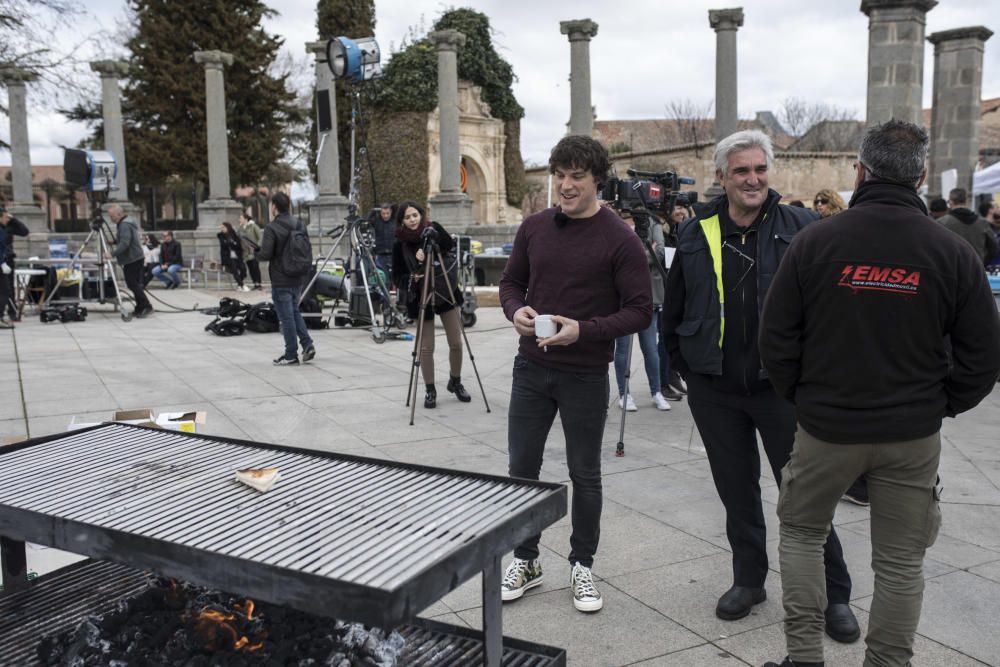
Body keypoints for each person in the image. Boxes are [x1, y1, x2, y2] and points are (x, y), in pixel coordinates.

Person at [760, 119, 1000, 667]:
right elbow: (984, 357)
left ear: (860, 171)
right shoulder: (952, 252)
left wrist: (804, 396)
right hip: (910, 434)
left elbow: (775, 339)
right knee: (899, 561)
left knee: (801, 535)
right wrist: (940, 404)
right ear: (919, 176)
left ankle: (803, 659)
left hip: (827, 428)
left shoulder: (815, 241)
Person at [662, 129, 858, 640]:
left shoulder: (804, 227)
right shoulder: (697, 229)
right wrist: (679, 361)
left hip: (783, 389)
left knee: (807, 495)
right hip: (716, 388)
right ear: (722, 177)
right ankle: (749, 581)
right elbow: (676, 301)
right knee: (737, 491)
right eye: (741, 170)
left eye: (760, 169)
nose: (752, 179)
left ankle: (835, 593)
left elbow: (831, 310)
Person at [498, 135, 652, 613]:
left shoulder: (620, 240)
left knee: (585, 474)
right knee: (522, 469)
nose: (565, 186)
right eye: (559, 175)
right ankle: (526, 559)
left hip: (585, 374)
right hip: (531, 368)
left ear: (596, 180)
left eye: (576, 177)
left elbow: (641, 310)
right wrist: (516, 310)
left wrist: (583, 330)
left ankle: (581, 563)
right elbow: (511, 282)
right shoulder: (534, 227)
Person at [390, 201, 470, 408]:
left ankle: (455, 380)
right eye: (407, 217)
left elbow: (449, 246)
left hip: (445, 291)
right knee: (426, 348)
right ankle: (430, 389)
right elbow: (397, 277)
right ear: (402, 221)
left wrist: (433, 241)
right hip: (419, 296)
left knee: (456, 342)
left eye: (415, 215)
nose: (412, 220)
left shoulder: (433, 228)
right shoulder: (399, 243)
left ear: (421, 214)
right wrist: (413, 276)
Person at [613, 207, 678, 411]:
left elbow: (658, 253)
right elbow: (615, 257)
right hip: (621, 299)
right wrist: (645, 250)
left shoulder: (652, 223)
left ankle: (656, 392)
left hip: (647, 298)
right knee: (623, 349)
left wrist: (636, 256)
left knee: (650, 348)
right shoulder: (614, 223)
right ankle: (624, 394)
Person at [257, 192, 315, 366]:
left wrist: (256, 252)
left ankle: (291, 353)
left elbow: (266, 254)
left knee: (287, 317)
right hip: (297, 276)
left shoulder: (271, 227)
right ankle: (307, 344)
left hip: (281, 278)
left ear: (274, 206)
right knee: (294, 313)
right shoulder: (299, 223)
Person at [107, 204, 152, 319]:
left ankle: (146, 306)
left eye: (112, 216)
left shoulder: (124, 225)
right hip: (134, 258)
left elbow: (125, 243)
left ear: (118, 214)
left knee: (133, 284)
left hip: (133, 259)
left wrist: (111, 254)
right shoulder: (125, 223)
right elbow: (125, 239)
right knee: (134, 284)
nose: (111, 219)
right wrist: (114, 241)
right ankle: (140, 307)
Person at [939, 187, 999, 266]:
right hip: (976, 270)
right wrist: (982, 262)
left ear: (950, 202)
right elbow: (994, 248)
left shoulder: (942, 223)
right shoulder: (982, 223)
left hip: (951, 270)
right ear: (966, 201)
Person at [0, 206, 29, 327]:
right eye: (5, 217)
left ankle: (12, 312)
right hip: (1, 261)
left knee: (8, 288)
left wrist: (14, 219)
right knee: (4, 290)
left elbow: (24, 231)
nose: (8, 219)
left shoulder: (8, 226)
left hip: (8, 260)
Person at [217, 222, 249, 292]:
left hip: (237, 256)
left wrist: (232, 242)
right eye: (221, 227)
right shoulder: (221, 236)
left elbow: (238, 245)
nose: (222, 229)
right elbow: (224, 244)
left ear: (228, 227)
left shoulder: (234, 234)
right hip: (227, 257)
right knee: (235, 270)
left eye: (223, 227)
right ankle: (242, 285)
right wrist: (232, 242)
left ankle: (239, 284)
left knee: (244, 270)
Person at [371, 202, 395, 290]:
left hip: (393, 254)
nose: (385, 216)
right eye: (383, 213)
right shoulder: (377, 222)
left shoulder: (394, 222)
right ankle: (385, 300)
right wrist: (373, 212)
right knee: (384, 279)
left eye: (387, 213)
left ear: (391, 212)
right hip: (381, 255)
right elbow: (368, 221)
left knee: (394, 278)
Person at [239, 210, 263, 290]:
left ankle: (258, 284)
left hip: (254, 252)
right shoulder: (240, 228)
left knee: (255, 268)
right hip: (245, 253)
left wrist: (257, 246)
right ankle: (254, 283)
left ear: (246, 219)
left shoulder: (253, 226)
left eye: (241, 218)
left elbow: (260, 237)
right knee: (251, 269)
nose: (240, 220)